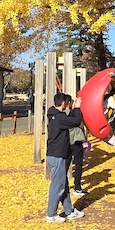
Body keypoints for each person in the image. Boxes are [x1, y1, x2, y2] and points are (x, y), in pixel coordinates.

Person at [46, 92, 84, 223]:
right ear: (63, 103)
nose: (69, 105)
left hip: (56, 155)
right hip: (57, 156)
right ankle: (51, 214)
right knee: (57, 185)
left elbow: (70, 120)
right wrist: (77, 108)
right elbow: (76, 121)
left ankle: (69, 210)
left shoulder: (55, 116)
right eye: (68, 103)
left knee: (63, 184)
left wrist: (74, 109)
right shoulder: (59, 118)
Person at [63, 96, 88, 197]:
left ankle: (63, 185)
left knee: (65, 164)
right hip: (76, 141)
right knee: (78, 164)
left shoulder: (62, 115)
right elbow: (80, 124)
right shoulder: (75, 114)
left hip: (67, 142)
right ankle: (77, 187)